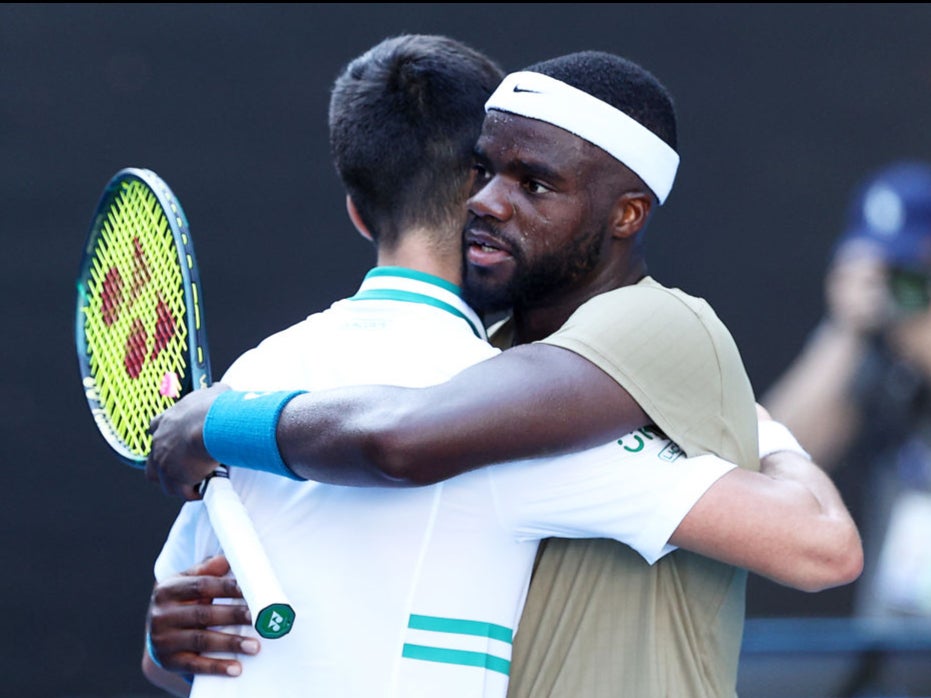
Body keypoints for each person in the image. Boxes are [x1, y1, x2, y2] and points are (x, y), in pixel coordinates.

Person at [146, 47, 862, 697]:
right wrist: (173, 637)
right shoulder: (499, 398)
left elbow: (403, 437)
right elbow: (186, 647)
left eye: (534, 184)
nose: (488, 202)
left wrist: (218, 421)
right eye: (484, 173)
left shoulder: (271, 375)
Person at [763, 160, 931, 620]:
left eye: (912, 272)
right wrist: (845, 331)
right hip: (898, 652)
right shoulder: (877, 357)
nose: (900, 289)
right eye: (881, 273)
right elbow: (773, 459)